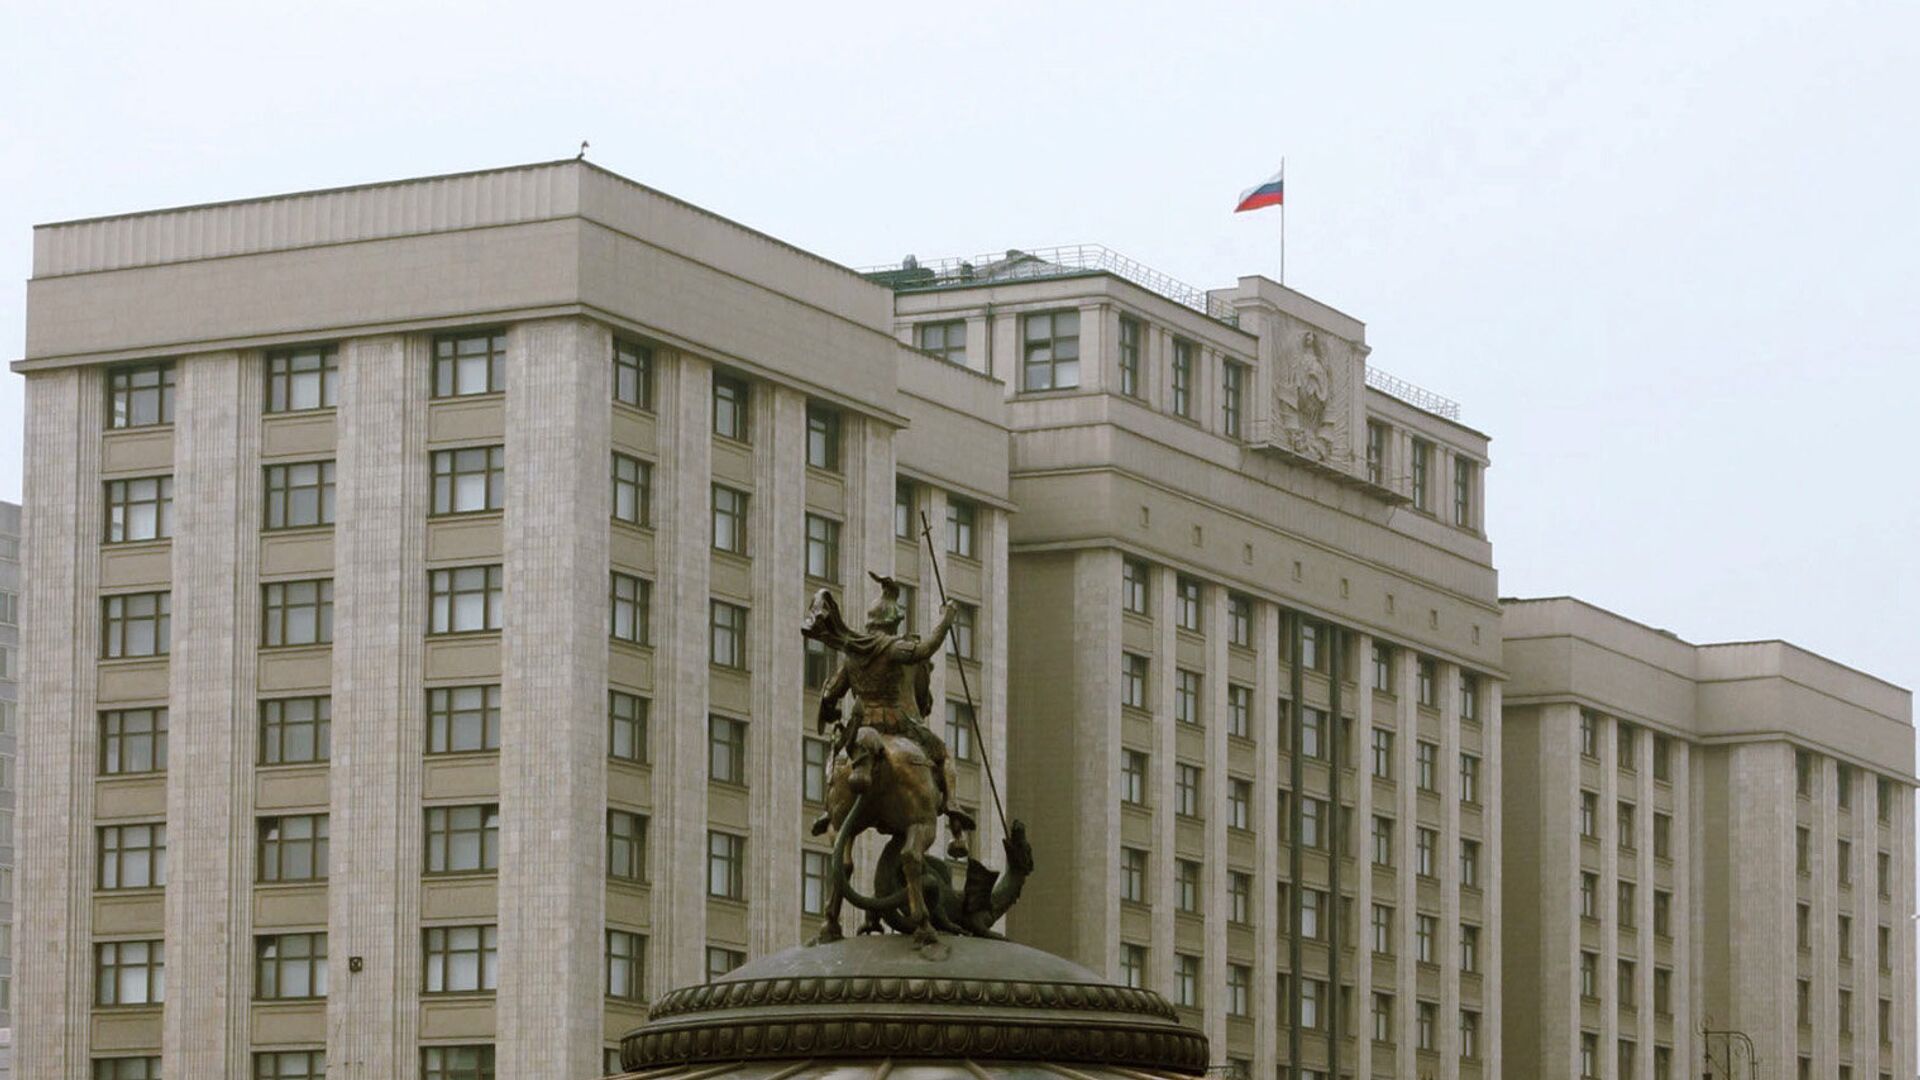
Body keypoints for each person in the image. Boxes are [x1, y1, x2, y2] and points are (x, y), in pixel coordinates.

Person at [807, 573, 974, 851]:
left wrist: (830, 710)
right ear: (893, 623)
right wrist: (946, 619)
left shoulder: (854, 654)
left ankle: (829, 808)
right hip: (900, 724)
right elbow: (926, 649)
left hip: (862, 725)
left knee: (836, 755)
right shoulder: (893, 648)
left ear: (872, 622)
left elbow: (831, 694)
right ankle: (954, 811)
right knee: (944, 755)